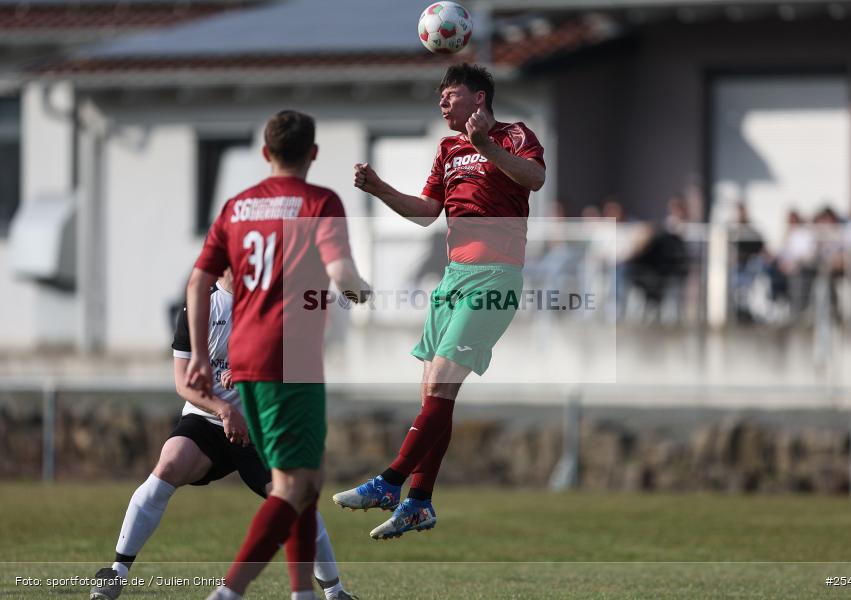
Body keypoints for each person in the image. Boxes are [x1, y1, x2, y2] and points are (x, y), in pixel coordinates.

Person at [333, 63, 545, 540]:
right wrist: (380, 189)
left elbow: (534, 178)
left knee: (442, 384)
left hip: (494, 275)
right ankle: (419, 502)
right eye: (441, 97)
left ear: (479, 98)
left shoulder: (514, 134)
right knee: (434, 392)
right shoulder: (448, 148)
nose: (442, 103)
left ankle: (389, 482)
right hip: (452, 279)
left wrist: (487, 146)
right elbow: (428, 212)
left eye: (450, 94)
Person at [185, 110, 369, 600]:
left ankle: (303, 593)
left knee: (302, 478)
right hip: (291, 360)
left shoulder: (237, 207)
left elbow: (200, 280)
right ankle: (227, 593)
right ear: (312, 153)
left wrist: (202, 355)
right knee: (292, 486)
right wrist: (359, 291)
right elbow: (342, 273)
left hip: (244, 358)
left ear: (266, 154)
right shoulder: (319, 202)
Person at [88, 267, 357, 600]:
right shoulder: (198, 304)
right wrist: (224, 409)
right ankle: (116, 573)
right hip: (208, 420)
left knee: (298, 501)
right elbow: (183, 382)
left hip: (261, 427)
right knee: (168, 464)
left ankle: (335, 593)